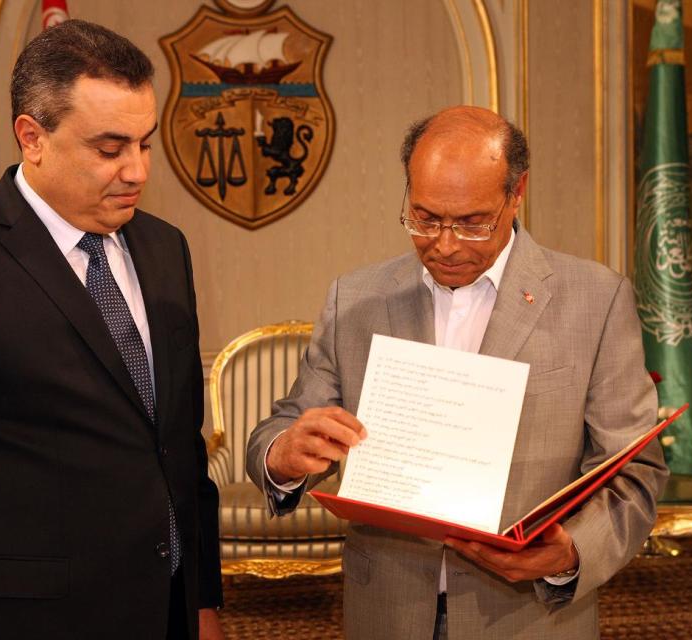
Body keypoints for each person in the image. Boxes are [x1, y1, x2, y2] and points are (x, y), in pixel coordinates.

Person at [246, 106, 669, 639]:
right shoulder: (355, 298)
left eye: (472, 223)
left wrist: (569, 553)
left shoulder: (596, 300)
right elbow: (284, 426)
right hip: (388, 610)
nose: (444, 245)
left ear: (517, 194)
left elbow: (634, 473)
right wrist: (283, 455)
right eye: (424, 218)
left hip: (528, 617)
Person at [0, 20, 223, 640]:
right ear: (32, 136)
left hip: (166, 613)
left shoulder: (166, 247)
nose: (137, 171)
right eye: (110, 149)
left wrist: (202, 601)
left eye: (145, 143)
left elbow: (178, 449)